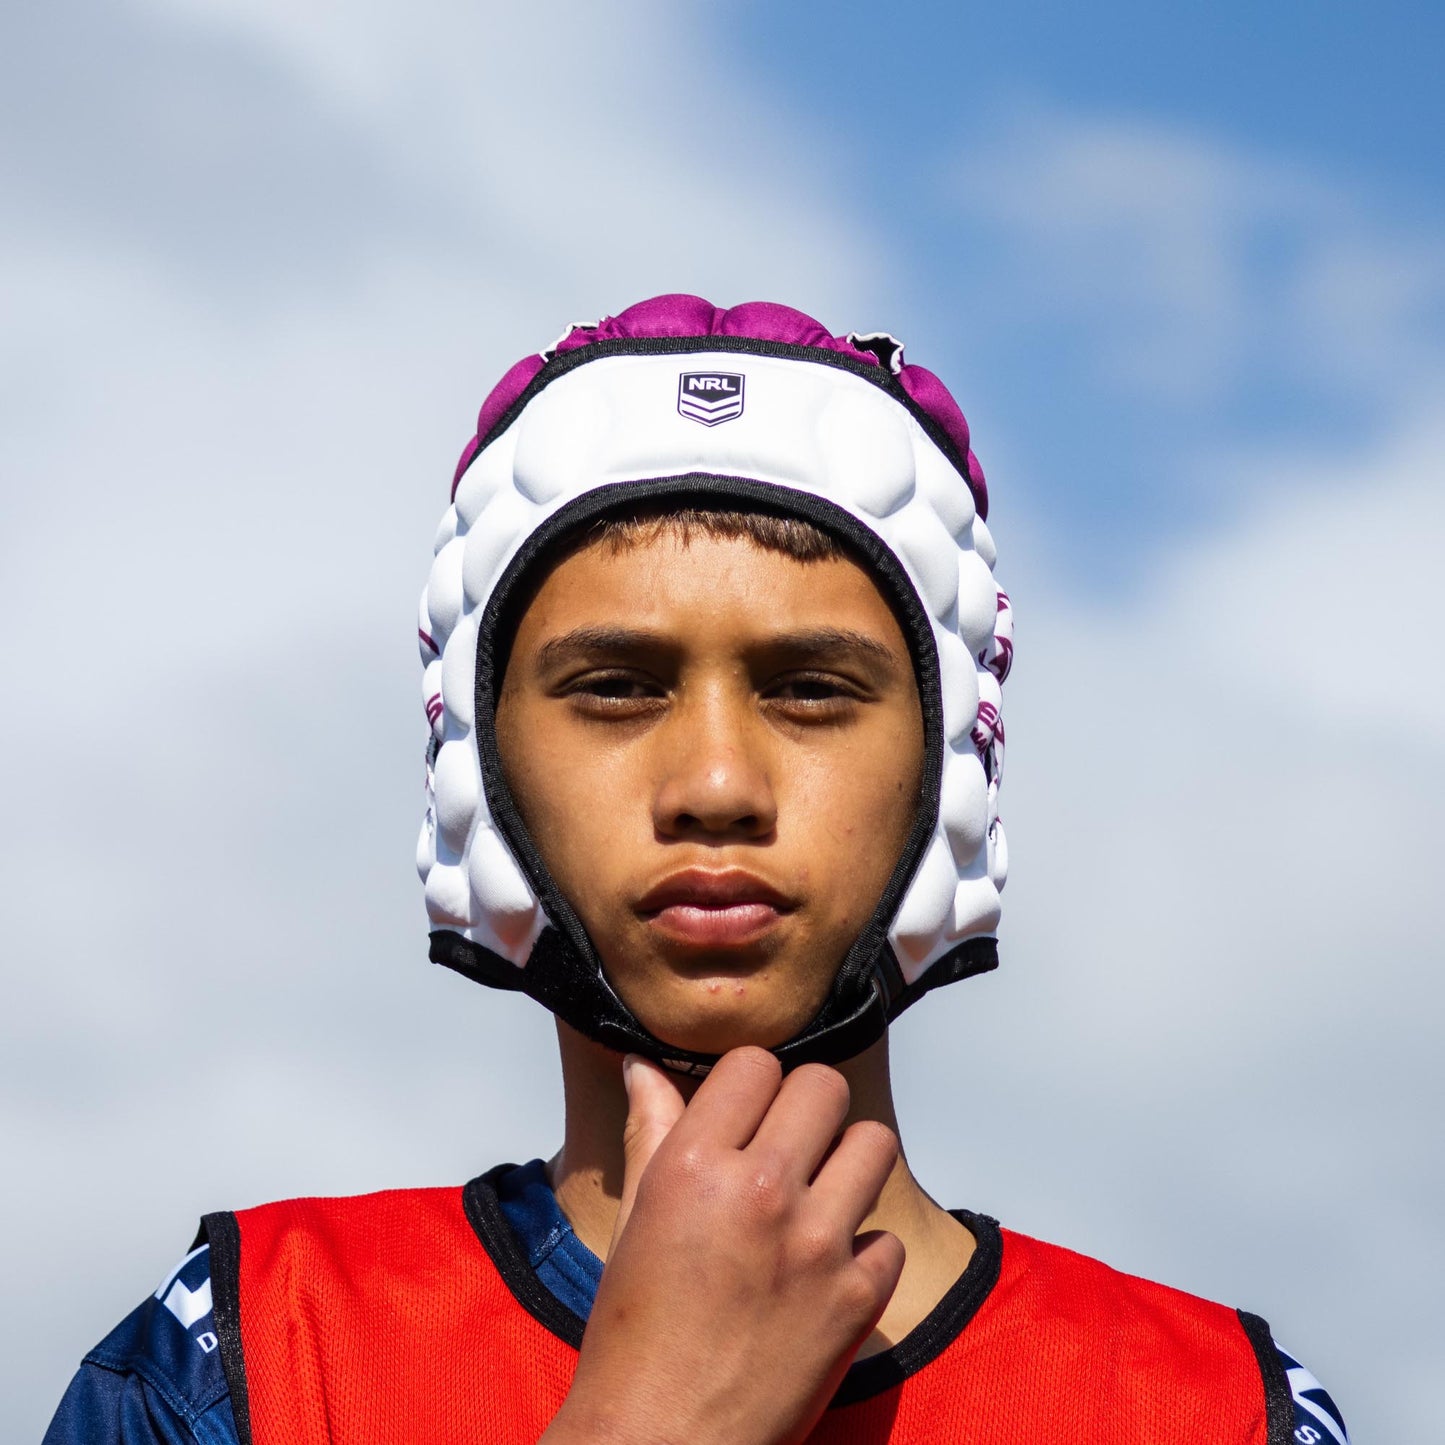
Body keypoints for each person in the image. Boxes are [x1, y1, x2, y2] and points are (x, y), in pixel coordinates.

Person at [43, 295, 1351, 1445]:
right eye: (614, 688)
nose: (715, 784)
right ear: (476, 759)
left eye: (812, 690)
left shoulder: (1215, 1407)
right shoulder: (247, 1357)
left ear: (950, 758)